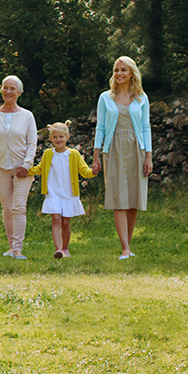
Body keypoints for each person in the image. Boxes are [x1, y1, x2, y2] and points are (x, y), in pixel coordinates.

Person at [91, 56, 152, 260]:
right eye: (116, 70)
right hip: (113, 148)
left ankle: (128, 244)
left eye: (123, 70)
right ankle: (124, 248)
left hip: (137, 148)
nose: (119, 74)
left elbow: (146, 127)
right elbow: (100, 127)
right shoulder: (105, 98)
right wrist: (96, 154)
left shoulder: (141, 98)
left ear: (132, 73)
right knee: (119, 197)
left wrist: (149, 156)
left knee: (134, 198)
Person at [0, 75, 37, 260]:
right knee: (7, 208)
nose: (8, 92)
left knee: (19, 207)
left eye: (12, 88)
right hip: (0, 168)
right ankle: (11, 247)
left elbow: (32, 144)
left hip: (22, 169)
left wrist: (26, 165)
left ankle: (18, 249)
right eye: (5, 88)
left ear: (19, 92)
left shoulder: (27, 116)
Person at [29, 122, 94, 259]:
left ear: (67, 137)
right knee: (56, 219)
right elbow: (40, 169)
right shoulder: (48, 154)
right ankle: (58, 249)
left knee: (65, 222)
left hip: (69, 193)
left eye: (61, 137)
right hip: (53, 193)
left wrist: (92, 172)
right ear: (51, 138)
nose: (58, 140)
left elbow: (84, 170)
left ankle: (65, 248)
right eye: (55, 137)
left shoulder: (74, 154)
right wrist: (27, 171)